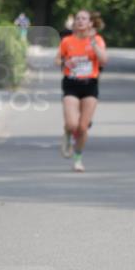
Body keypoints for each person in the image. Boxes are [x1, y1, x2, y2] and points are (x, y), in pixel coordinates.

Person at [55, 9, 107, 172]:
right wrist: (65, 64)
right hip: (71, 83)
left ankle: (77, 158)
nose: (80, 21)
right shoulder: (67, 41)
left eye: (84, 19)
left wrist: (92, 43)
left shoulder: (97, 40)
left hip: (90, 84)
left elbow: (104, 60)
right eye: (77, 18)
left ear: (91, 23)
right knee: (72, 124)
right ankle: (68, 131)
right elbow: (57, 60)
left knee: (83, 127)